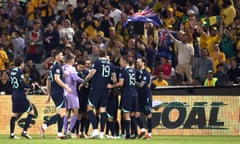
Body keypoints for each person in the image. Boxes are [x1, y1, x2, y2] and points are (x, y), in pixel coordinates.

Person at [80, 50, 116, 139]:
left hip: (96, 88)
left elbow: (92, 73)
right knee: (102, 110)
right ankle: (101, 133)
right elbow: (114, 79)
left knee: (89, 107)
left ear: (99, 55)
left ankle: (95, 130)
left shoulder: (97, 62)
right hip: (105, 89)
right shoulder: (110, 64)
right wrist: (111, 85)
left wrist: (84, 81)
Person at [40, 49, 72, 139]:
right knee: (62, 113)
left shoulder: (53, 66)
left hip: (54, 92)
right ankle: (45, 126)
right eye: (61, 55)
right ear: (56, 56)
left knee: (62, 113)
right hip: (58, 92)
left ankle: (58, 133)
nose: (62, 56)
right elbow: (57, 79)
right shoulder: (57, 66)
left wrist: (49, 94)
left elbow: (48, 80)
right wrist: (66, 87)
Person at [107, 55, 138, 139]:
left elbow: (121, 83)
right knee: (132, 114)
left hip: (127, 94)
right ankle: (135, 133)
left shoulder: (123, 71)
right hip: (135, 94)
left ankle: (127, 134)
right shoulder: (133, 70)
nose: (119, 62)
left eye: (120, 61)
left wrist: (111, 86)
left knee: (126, 114)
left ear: (124, 61)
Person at [9, 57, 38, 139]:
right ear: (21, 63)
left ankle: (12, 134)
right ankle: (24, 132)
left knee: (15, 114)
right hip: (20, 95)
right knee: (31, 113)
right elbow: (22, 84)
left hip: (14, 93)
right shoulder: (19, 71)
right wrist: (31, 86)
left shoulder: (12, 71)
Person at [62, 54, 83, 137]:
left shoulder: (63, 68)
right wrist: (84, 81)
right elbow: (75, 78)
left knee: (67, 112)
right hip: (72, 92)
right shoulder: (72, 68)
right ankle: (69, 131)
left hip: (64, 91)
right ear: (70, 60)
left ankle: (64, 130)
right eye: (74, 59)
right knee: (76, 112)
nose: (74, 61)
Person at [135, 57, 153, 140]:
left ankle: (149, 133)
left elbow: (141, 85)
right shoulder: (137, 72)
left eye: (139, 62)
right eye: (137, 62)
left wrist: (132, 81)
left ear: (143, 63)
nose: (137, 63)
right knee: (136, 115)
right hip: (139, 97)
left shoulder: (146, 73)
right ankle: (142, 129)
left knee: (148, 115)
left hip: (146, 97)